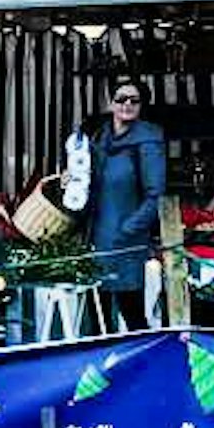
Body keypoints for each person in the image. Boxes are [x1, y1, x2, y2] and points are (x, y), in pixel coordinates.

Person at [89, 77, 167, 331]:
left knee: (131, 311)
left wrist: (129, 229)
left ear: (142, 105)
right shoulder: (99, 139)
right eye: (121, 99)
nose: (127, 104)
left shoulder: (148, 142)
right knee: (97, 315)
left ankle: (142, 367)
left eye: (134, 100)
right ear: (110, 103)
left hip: (126, 243)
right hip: (96, 237)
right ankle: (102, 368)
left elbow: (156, 195)